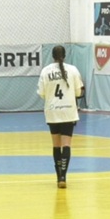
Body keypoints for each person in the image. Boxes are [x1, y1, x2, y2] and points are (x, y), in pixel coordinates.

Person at [38, 45, 84, 188]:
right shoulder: (73, 70)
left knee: (56, 145)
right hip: (68, 112)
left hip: (52, 112)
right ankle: (63, 176)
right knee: (66, 144)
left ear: (52, 56)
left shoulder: (45, 71)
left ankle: (58, 177)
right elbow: (79, 92)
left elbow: (42, 93)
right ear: (65, 55)